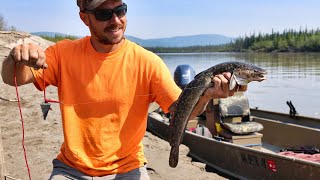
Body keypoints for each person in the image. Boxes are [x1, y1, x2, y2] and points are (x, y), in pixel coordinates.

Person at [1, 0, 247, 179]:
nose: (116, 20)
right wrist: (16, 57)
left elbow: (181, 111)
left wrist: (206, 96)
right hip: (71, 169)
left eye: (121, 10)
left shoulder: (147, 62)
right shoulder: (62, 54)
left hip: (128, 168)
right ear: (84, 17)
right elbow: (12, 78)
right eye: (104, 13)